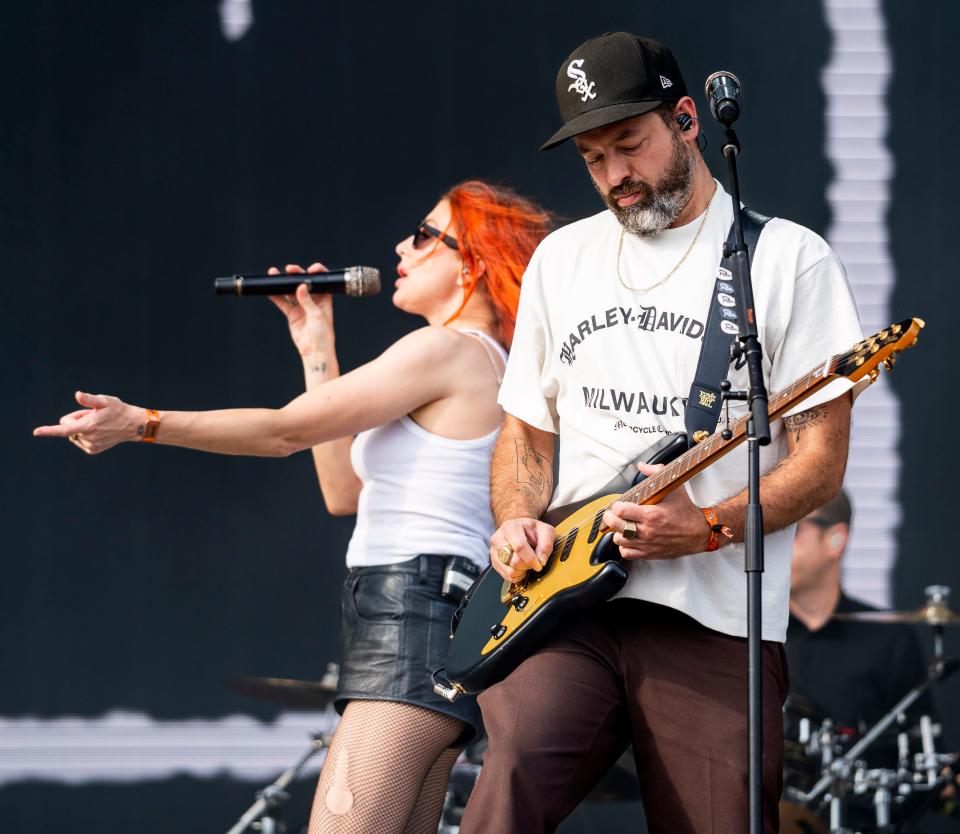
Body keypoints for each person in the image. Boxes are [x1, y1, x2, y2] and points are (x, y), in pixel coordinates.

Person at [33, 180, 552, 834]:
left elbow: (283, 431)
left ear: (471, 261)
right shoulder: (482, 360)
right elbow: (343, 493)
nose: (401, 247)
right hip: (419, 619)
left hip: (415, 617)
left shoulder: (447, 350)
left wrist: (143, 422)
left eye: (425, 235)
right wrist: (316, 346)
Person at [457, 33, 863, 834]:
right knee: (513, 775)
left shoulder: (786, 260)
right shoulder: (560, 260)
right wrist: (514, 520)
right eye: (592, 159)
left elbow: (821, 462)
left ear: (687, 120)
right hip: (567, 604)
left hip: (715, 622)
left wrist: (707, 529)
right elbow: (526, 438)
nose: (614, 176)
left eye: (629, 145)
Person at [787, 489, 931, 733]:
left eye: (792, 529)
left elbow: (922, 750)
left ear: (836, 539)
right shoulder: (749, 637)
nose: (774, 547)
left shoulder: (890, 639)